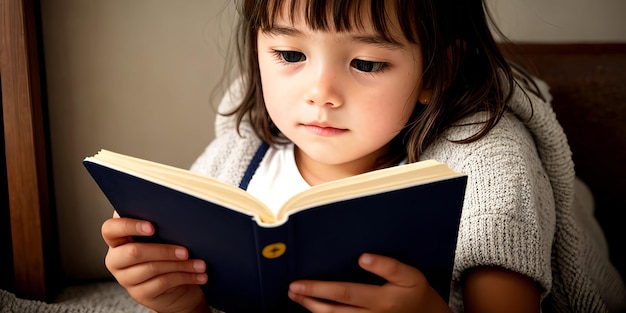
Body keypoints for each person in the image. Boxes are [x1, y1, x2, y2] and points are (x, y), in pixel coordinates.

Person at [100, 0, 626, 312]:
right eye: (289, 55)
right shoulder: (241, 150)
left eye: (368, 63)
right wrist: (180, 299)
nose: (320, 92)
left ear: (435, 74)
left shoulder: (488, 163)